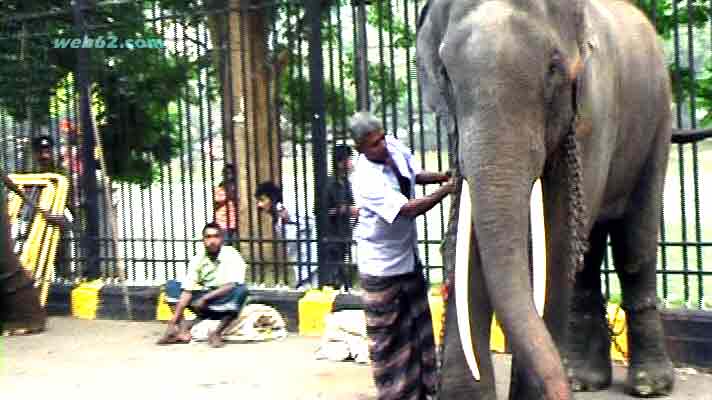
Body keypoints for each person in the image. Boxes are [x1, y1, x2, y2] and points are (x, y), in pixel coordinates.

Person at [349, 111, 455, 400]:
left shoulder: (394, 147)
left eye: (382, 138)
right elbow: (407, 209)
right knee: (391, 340)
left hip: (407, 259)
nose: (382, 146)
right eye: (373, 144)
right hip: (382, 268)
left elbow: (413, 175)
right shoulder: (365, 180)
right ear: (359, 149)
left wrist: (441, 176)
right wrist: (448, 189)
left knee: (418, 330)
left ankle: (424, 391)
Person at [158, 222, 249, 348]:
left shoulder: (231, 254)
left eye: (216, 236)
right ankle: (183, 332)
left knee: (241, 290)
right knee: (172, 286)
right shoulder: (198, 258)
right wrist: (172, 322)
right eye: (208, 237)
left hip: (224, 301)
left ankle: (216, 333)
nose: (212, 241)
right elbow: (187, 290)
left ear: (222, 239)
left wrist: (205, 298)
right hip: (204, 304)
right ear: (203, 240)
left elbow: (231, 284)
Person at [255, 181, 317, 289]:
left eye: (262, 200)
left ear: (272, 199)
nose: (259, 205)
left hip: (312, 263)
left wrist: (290, 219)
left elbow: (311, 222)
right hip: (300, 265)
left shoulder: (291, 208)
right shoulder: (277, 217)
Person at [323, 144, 358, 289]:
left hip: (344, 234)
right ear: (340, 162)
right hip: (332, 236)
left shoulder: (346, 183)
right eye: (349, 159)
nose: (351, 163)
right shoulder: (330, 184)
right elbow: (321, 211)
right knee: (333, 274)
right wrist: (344, 210)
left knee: (343, 271)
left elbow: (351, 205)